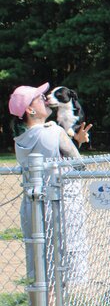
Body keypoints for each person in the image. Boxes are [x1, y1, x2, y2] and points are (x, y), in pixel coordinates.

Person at [10, 83, 92, 286]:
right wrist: (77, 143)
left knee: (40, 266)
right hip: (61, 203)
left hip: (33, 204)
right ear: (30, 110)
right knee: (64, 265)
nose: (45, 99)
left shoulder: (20, 139)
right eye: (39, 98)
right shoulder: (54, 131)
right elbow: (78, 163)